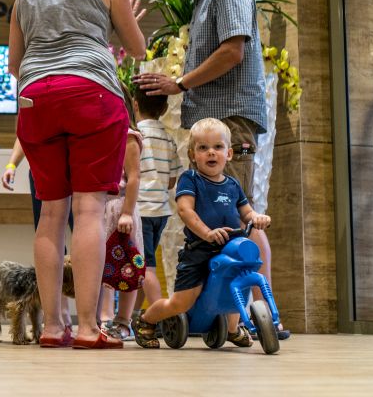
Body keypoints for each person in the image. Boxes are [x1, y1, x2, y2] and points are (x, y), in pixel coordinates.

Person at [132, 0, 287, 336]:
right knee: (225, 219)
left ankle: (263, 314)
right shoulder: (204, 1)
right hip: (217, 120)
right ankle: (229, 314)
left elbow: (233, 51)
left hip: (231, 120)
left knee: (244, 219)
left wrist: (180, 84)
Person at [8, 0, 146, 349]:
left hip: (35, 97)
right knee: (88, 209)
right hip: (91, 93)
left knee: (51, 212)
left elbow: (14, 61)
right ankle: (88, 328)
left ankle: (52, 327)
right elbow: (138, 48)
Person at [133, 118, 271, 348]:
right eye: (203, 148)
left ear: (229, 154)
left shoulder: (233, 184)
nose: (211, 153)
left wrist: (257, 217)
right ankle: (146, 320)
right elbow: (185, 210)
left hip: (230, 248)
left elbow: (246, 212)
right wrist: (207, 233)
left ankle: (233, 328)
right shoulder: (191, 179)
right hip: (200, 250)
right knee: (181, 303)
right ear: (192, 154)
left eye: (218, 147)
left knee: (236, 283)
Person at [2, 138, 74, 331]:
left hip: (72, 163)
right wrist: (12, 164)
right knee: (54, 237)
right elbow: (25, 133)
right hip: (45, 165)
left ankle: (84, 319)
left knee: (78, 234)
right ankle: (60, 315)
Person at [98, 82, 143, 341]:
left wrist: (126, 212)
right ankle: (104, 318)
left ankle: (124, 320)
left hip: (120, 208)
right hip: (101, 208)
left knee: (129, 264)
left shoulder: (128, 136)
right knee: (103, 266)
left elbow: (134, 178)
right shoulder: (102, 135)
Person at [133, 85, 181, 313]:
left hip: (141, 212)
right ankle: (134, 314)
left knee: (146, 267)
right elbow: (172, 181)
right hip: (161, 213)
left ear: (134, 104)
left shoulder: (134, 136)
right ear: (164, 108)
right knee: (141, 265)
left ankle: (162, 312)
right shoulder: (168, 140)